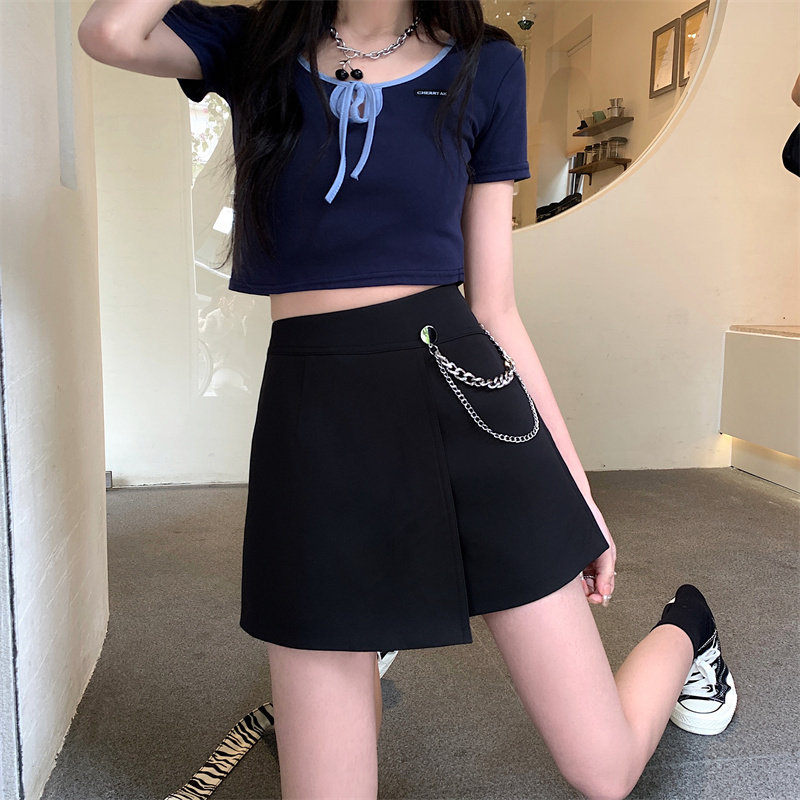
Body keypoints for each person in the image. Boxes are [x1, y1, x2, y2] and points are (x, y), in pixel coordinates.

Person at [78, 2, 737, 799]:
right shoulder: (255, 45)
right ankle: (368, 627)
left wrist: (574, 490)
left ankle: (689, 625)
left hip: (464, 400)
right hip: (316, 424)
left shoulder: (486, 66)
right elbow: (111, 32)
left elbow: (495, 309)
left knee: (604, 770)